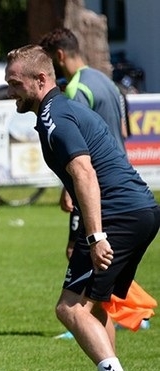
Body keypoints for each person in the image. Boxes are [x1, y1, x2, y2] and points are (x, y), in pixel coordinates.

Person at [5, 44, 159, 371]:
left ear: (40, 80)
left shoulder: (54, 115)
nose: (10, 91)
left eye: (14, 83)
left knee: (69, 307)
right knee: (99, 301)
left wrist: (95, 236)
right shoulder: (62, 110)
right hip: (140, 209)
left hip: (118, 215)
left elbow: (85, 172)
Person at [39, 27, 156, 337]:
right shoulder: (108, 81)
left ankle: (88, 316)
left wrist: (69, 188)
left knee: (86, 249)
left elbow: (76, 149)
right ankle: (116, 311)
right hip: (121, 176)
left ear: (59, 57)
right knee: (97, 255)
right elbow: (122, 129)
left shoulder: (76, 90)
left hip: (97, 186)